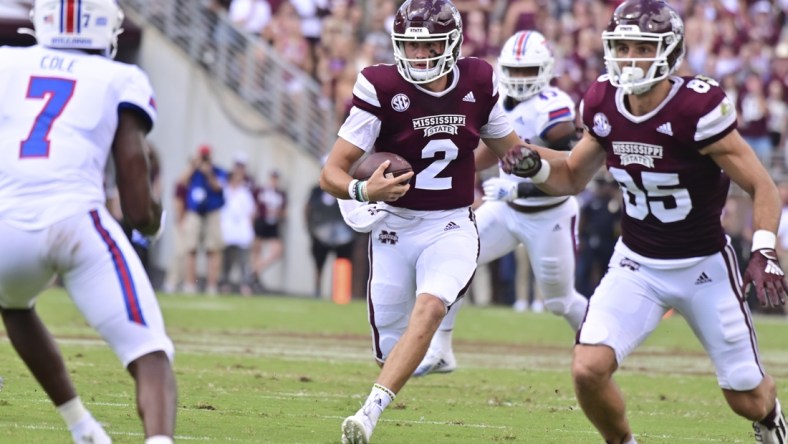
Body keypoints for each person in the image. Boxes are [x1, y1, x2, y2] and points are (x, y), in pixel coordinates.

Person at [503, 1, 788, 442]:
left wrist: (764, 247)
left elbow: (762, 185)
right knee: (587, 369)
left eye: (641, 47)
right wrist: (536, 167)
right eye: (622, 46)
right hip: (637, 263)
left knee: (746, 397)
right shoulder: (602, 101)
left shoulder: (697, 107)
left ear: (670, 53)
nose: (629, 58)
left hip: (702, 267)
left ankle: (770, 417)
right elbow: (573, 175)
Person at [319, 1, 527, 442]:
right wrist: (363, 191)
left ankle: (368, 414)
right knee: (390, 350)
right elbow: (332, 171)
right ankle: (415, 364)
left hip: (451, 223)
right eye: (409, 47)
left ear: (450, 42)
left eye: (427, 45)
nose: (417, 56)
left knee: (431, 306)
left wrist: (544, 166)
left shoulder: (477, 79)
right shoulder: (380, 85)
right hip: (394, 223)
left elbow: (507, 145)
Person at [0, 1, 177, 443]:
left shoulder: (7, 62)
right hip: (77, 221)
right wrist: (151, 223)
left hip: (6, 226)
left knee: (13, 303)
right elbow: (135, 189)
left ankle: (83, 428)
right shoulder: (120, 77)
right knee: (149, 353)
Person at [414, 30, 590, 377]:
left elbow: (572, 169)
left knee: (559, 301)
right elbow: (481, 156)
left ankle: (601, 345)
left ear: (545, 69)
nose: (521, 78)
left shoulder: (554, 108)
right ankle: (441, 350)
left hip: (548, 213)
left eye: (528, 70)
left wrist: (520, 190)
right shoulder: (496, 100)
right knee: (454, 262)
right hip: (505, 208)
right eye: (515, 69)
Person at [179, 144, 228, 294]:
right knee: (191, 249)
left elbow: (219, 187)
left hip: (212, 213)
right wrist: (193, 166)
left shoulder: (217, 171)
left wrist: (209, 173)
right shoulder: (194, 171)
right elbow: (181, 182)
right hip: (195, 213)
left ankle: (211, 286)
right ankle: (190, 284)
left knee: (213, 250)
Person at [305, 183, 356, 298]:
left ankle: (341, 291)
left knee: (343, 263)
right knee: (319, 264)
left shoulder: (345, 187)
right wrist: (310, 228)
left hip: (343, 235)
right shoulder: (316, 190)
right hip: (320, 233)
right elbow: (308, 207)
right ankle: (317, 290)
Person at [250, 170, 287, 291]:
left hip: (273, 224)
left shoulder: (281, 194)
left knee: (277, 251)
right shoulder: (261, 191)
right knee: (257, 250)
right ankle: (255, 277)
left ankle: (254, 271)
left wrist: (278, 213)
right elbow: (253, 207)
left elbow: (284, 211)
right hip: (261, 222)